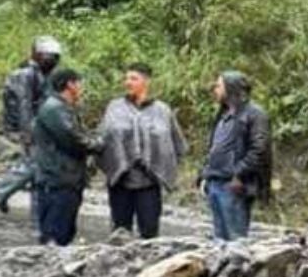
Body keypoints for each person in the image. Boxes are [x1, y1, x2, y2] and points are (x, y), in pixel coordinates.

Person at [97, 63, 186, 240]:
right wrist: (115, 163)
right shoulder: (115, 107)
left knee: (150, 232)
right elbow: (102, 140)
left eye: (133, 78)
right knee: (120, 233)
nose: (127, 82)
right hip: (121, 181)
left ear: (146, 81)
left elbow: (175, 144)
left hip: (149, 182)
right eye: (126, 78)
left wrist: (161, 165)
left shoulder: (162, 110)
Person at [0, 36, 64, 214]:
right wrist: (28, 133)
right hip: (21, 127)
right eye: (48, 56)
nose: (52, 61)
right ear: (38, 55)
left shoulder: (43, 75)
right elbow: (24, 104)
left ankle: (35, 207)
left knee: (39, 167)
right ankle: (0, 194)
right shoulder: (25, 75)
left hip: (38, 126)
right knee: (35, 165)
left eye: (55, 57)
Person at [30, 69, 102, 246]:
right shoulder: (54, 108)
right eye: (79, 83)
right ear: (70, 84)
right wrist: (98, 144)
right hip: (57, 181)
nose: (81, 88)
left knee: (64, 232)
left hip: (65, 179)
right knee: (55, 235)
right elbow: (73, 140)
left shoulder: (62, 108)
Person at [199, 70, 271, 242]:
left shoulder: (254, 114)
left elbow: (259, 149)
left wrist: (238, 173)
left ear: (230, 88)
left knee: (236, 241)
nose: (215, 89)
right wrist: (204, 175)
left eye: (218, 86)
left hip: (234, 185)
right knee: (219, 240)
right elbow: (214, 147)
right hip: (215, 182)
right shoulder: (222, 115)